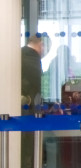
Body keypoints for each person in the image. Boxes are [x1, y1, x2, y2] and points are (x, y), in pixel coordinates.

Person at [21, 34, 44, 168]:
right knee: (27, 150)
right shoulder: (32, 58)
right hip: (26, 110)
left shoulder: (19, 54)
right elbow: (37, 84)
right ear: (40, 45)